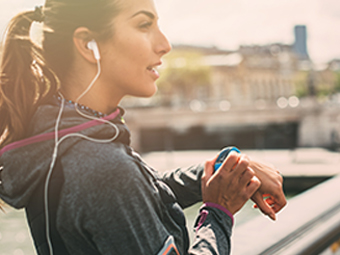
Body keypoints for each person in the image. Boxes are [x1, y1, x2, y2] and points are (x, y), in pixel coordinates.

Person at [0, 0, 286, 254]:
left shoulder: (64, 134)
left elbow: (137, 195)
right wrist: (218, 212)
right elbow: (119, 187)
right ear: (88, 43)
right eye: (143, 25)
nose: (164, 44)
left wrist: (224, 169)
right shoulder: (101, 165)